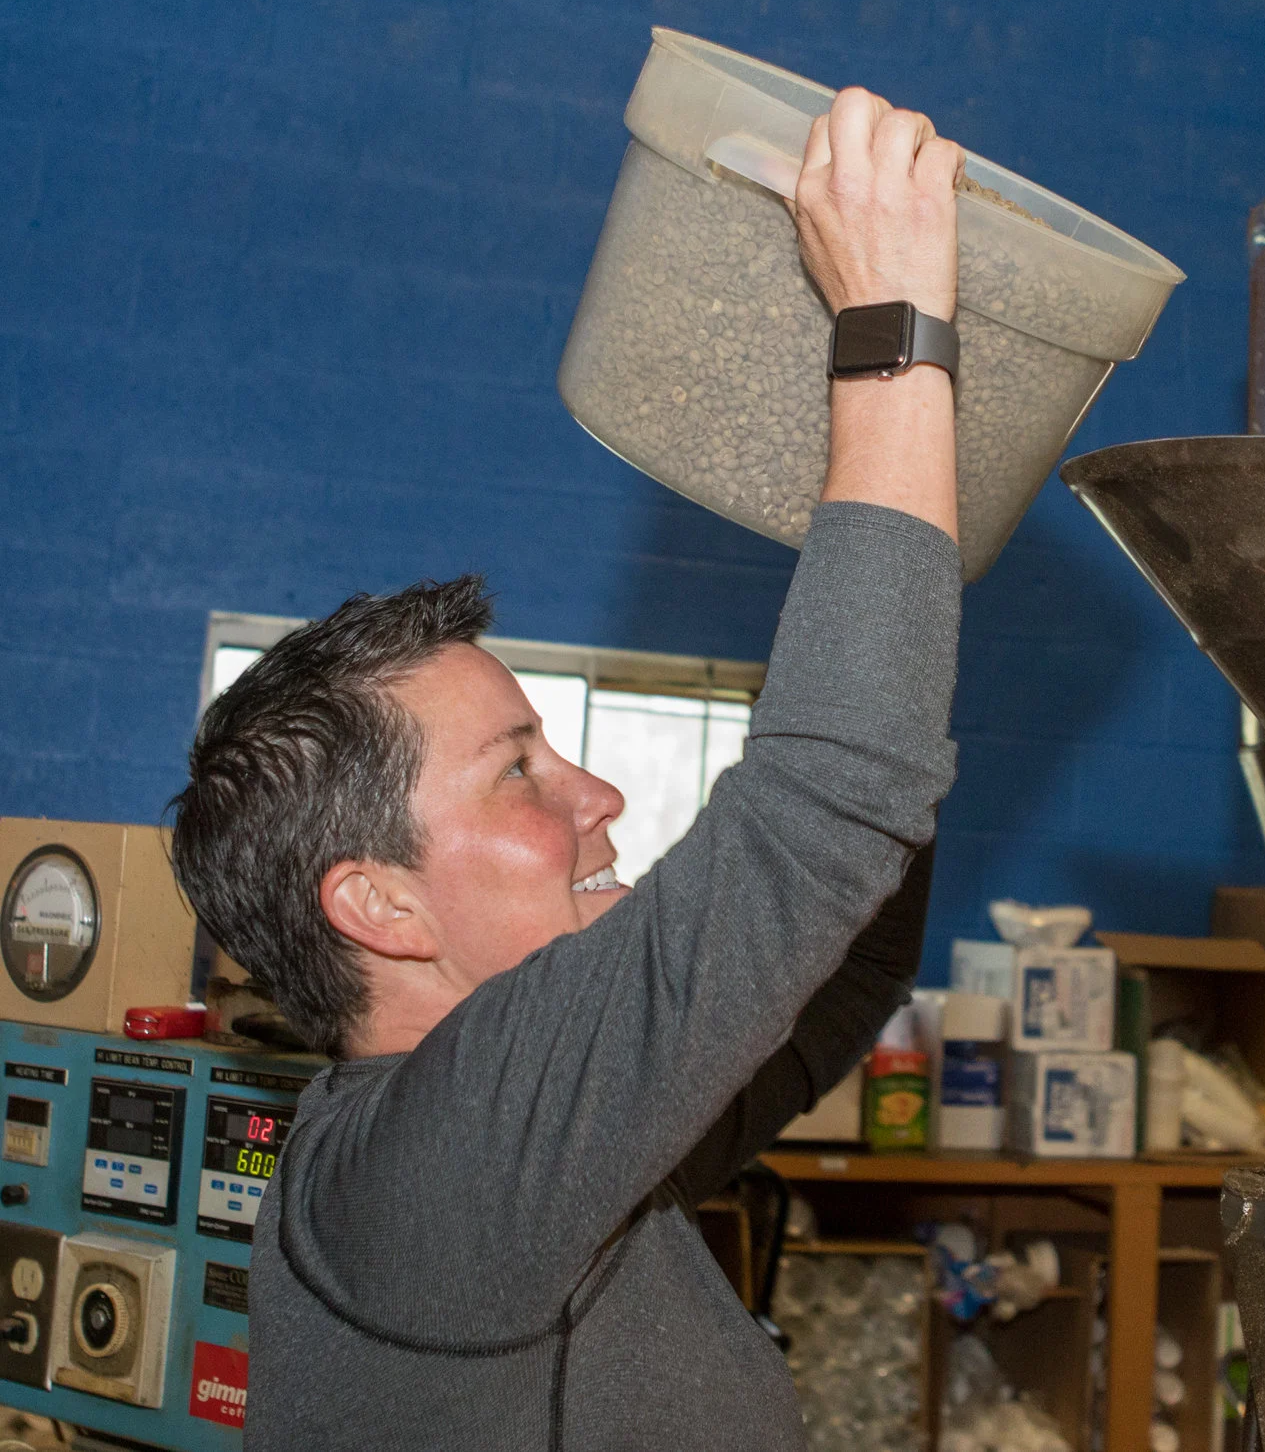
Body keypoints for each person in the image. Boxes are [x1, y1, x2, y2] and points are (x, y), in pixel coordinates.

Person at [168, 88, 965, 1450]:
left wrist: (909, 498)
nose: (596, 795)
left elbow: (842, 969)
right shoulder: (438, 1169)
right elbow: (831, 807)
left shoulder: (547, 1166)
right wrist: (895, 335)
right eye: (517, 770)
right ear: (381, 905)